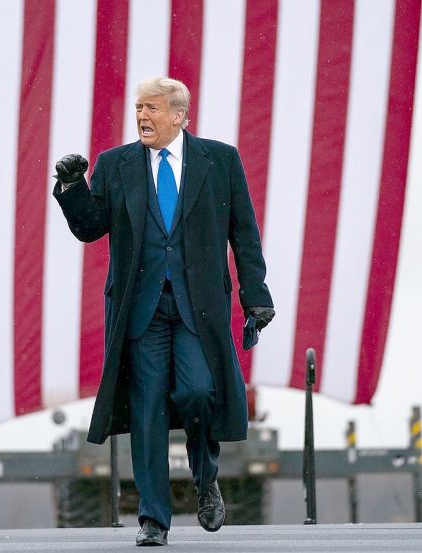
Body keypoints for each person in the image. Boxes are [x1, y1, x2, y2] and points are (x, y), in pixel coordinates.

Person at [52, 77, 274, 546]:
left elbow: (244, 233)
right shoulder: (116, 165)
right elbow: (91, 228)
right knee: (147, 409)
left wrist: (256, 295)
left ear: (180, 115)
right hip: (141, 309)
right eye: (138, 108)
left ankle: (204, 477)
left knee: (197, 392)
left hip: (200, 307)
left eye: (151, 108)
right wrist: (72, 187)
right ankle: (154, 519)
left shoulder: (221, 160)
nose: (142, 117)